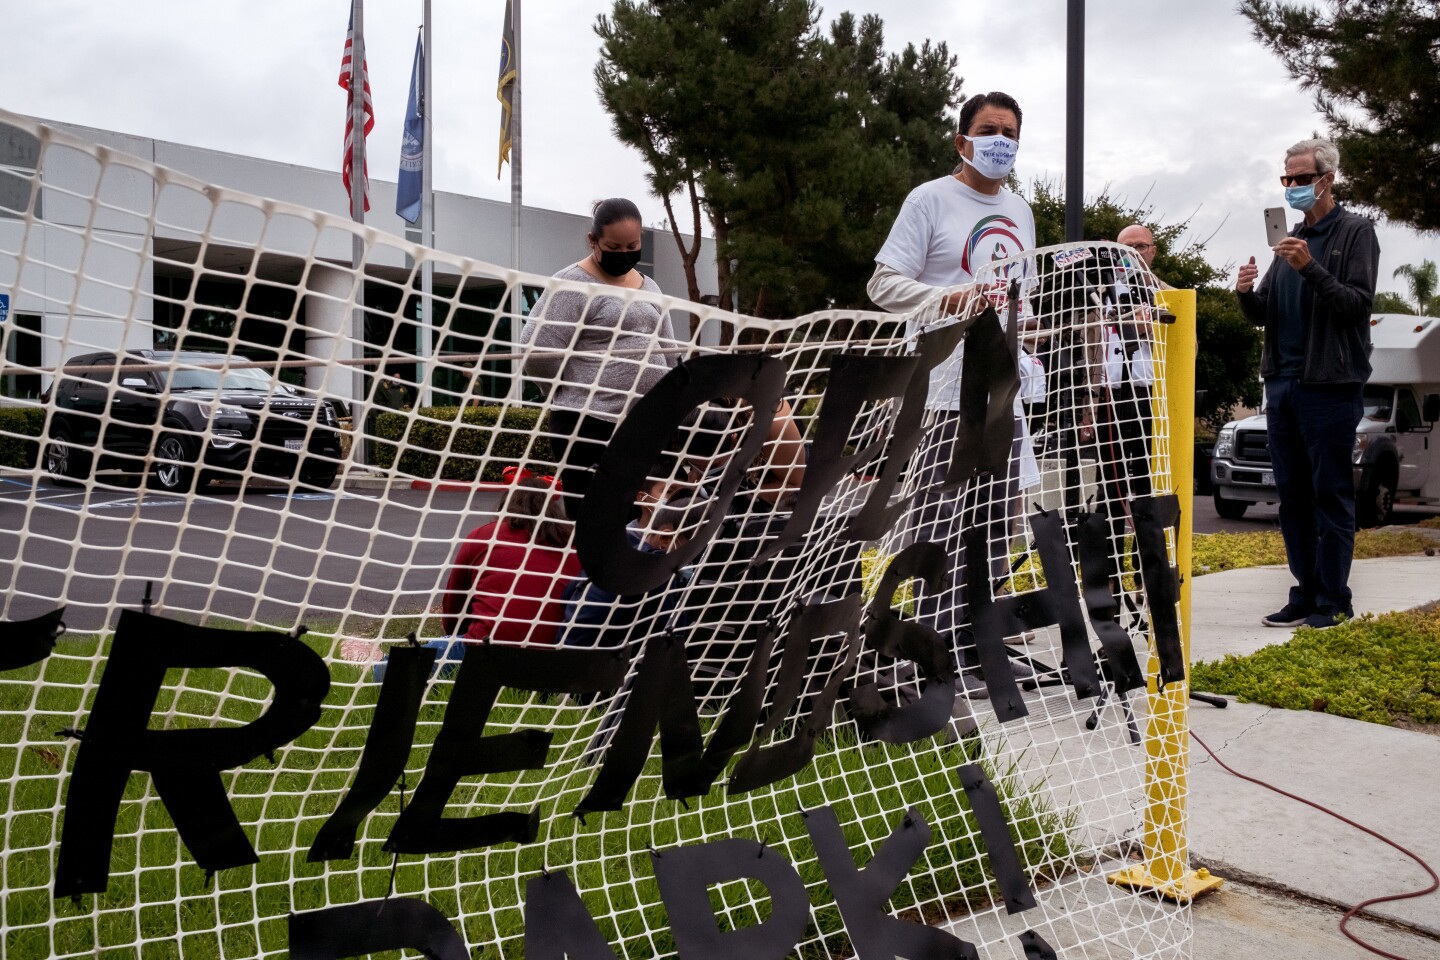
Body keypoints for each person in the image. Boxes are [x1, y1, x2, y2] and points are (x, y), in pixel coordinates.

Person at [866, 90, 1039, 692]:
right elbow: (883, 283)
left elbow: (1023, 291)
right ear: (961, 139)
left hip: (1001, 392)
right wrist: (945, 301)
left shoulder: (1020, 210)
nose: (1002, 141)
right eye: (990, 129)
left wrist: (1029, 329)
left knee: (995, 526)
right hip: (941, 392)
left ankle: (979, 644)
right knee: (938, 525)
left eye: (1011, 133)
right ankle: (928, 652)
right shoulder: (930, 200)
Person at [1236, 137, 1379, 630]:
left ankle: (1334, 599)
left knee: (1330, 493)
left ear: (1327, 179)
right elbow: (1265, 314)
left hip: (1331, 384)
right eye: (1287, 179)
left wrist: (1309, 267)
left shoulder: (1356, 233)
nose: (1293, 186)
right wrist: (1245, 293)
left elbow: (1357, 306)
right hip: (1281, 383)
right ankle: (1305, 590)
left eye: (1301, 178)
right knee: (1293, 496)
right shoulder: (1288, 241)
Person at [520, 198, 680, 517]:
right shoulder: (573, 283)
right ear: (593, 240)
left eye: (631, 246)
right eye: (614, 246)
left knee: (648, 522)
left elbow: (669, 350)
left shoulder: (651, 286)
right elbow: (537, 351)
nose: (624, 254)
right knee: (597, 525)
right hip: (588, 425)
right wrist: (567, 391)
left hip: (646, 426)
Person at [439, 475, 581, 644]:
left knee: (425, 652)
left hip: (484, 649)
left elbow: (454, 606)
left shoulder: (483, 536)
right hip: (551, 653)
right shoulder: (572, 546)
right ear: (553, 509)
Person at [1116, 224, 1174, 290]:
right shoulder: (1102, 294)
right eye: (1127, 247)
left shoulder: (1175, 296)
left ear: (1153, 252)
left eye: (1142, 246)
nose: (1134, 252)